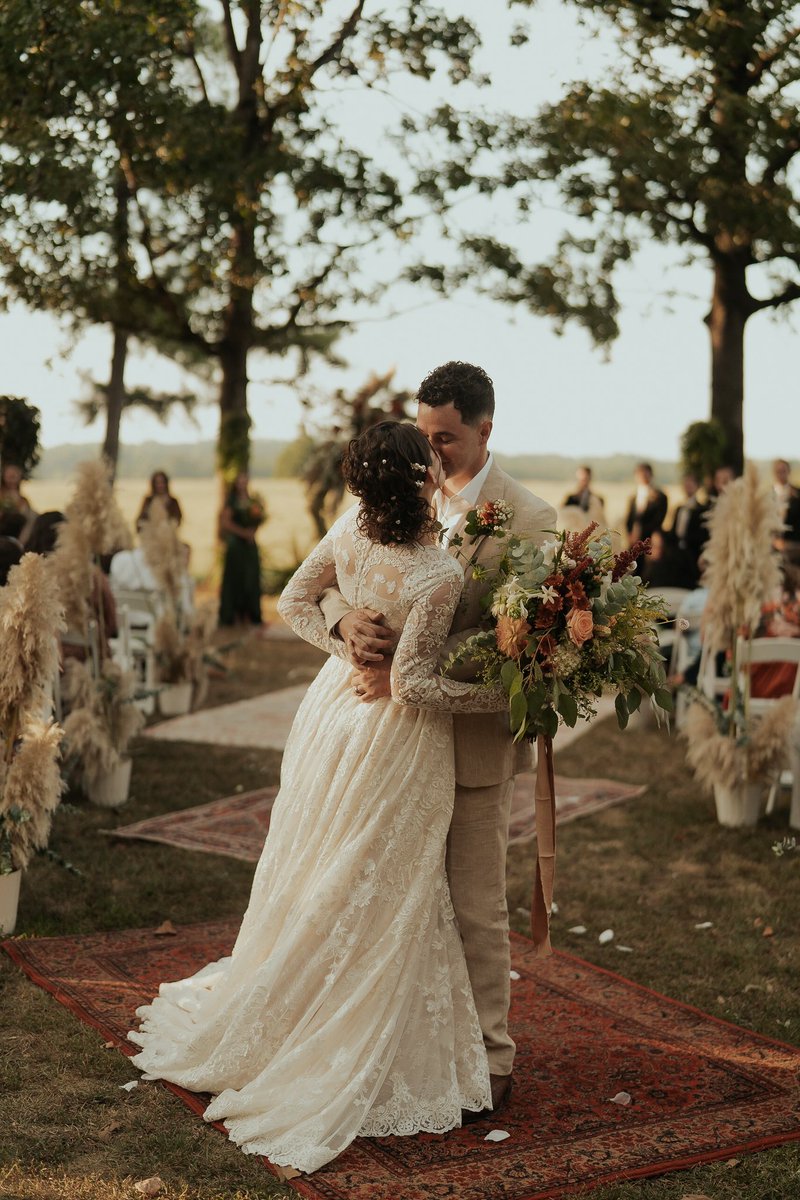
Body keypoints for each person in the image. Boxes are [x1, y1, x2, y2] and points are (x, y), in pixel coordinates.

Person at [130, 422, 515, 1175]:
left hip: (330, 719)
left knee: (325, 866)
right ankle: (348, 1031)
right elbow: (414, 685)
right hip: (397, 742)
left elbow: (292, 602)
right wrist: (499, 693)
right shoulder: (437, 574)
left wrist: (339, 643)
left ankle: (294, 1005)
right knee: (387, 888)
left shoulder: (349, 531)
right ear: (423, 477)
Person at [318, 361, 557, 1118]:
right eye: (425, 436)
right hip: (386, 744)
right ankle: (392, 1045)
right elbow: (325, 581)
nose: (432, 453)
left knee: (475, 904)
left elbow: (516, 644)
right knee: (386, 898)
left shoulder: (532, 521)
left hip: (472, 742)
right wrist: (342, 623)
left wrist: (411, 665)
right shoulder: (389, 493)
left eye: (446, 438)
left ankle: (490, 1058)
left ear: (487, 428)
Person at [218, 471, 265, 629]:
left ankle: (251, 615)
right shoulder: (231, 501)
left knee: (251, 579)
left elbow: (256, 518)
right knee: (236, 579)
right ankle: (233, 615)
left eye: (245, 480)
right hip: (236, 545)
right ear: (236, 483)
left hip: (250, 545)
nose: (243, 483)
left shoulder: (252, 501)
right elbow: (226, 523)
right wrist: (243, 533)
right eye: (240, 480)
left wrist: (252, 531)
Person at [668, 473, 709, 586]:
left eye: (691, 483)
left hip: (692, 555)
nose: (688, 486)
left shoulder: (702, 509)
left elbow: (703, 535)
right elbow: (673, 532)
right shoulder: (678, 508)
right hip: (677, 554)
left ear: (697, 486)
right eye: (685, 483)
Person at [624, 462, 668, 547]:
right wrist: (630, 534)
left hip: (651, 542)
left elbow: (658, 520)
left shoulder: (660, 496)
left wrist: (641, 532)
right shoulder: (632, 497)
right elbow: (629, 518)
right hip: (633, 542)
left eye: (645, 473)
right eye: (639, 474)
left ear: (651, 475)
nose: (642, 476)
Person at [772, 458, 800, 566]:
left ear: (789, 472)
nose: (781, 474)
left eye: (783, 471)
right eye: (778, 471)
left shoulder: (797, 494)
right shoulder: (767, 495)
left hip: (794, 546)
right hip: (773, 546)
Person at [0, 462, 36, 543]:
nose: (12, 480)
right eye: (10, 476)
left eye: (15, 477)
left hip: (18, 534)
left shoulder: (23, 499)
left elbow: (27, 515)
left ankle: (20, 545)